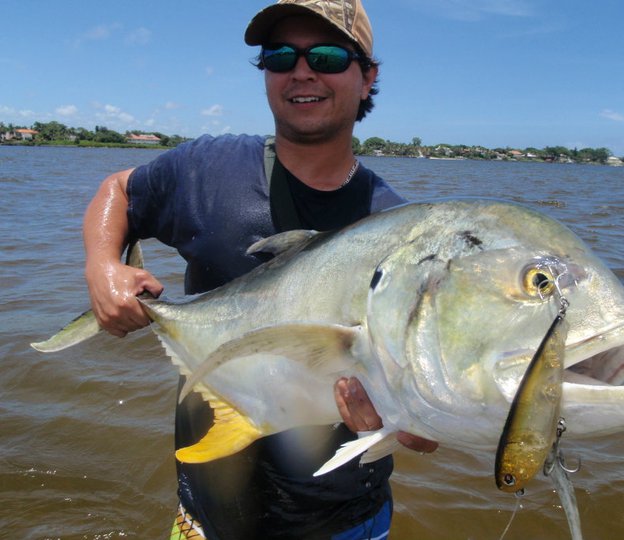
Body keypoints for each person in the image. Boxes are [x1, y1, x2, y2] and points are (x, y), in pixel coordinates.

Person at [82, 1, 438, 538]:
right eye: (279, 57)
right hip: (203, 512)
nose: (301, 71)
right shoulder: (205, 168)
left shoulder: (398, 236)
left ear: (367, 77)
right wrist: (103, 267)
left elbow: (428, 421)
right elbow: (119, 191)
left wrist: (413, 421)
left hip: (342, 521)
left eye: (327, 55)